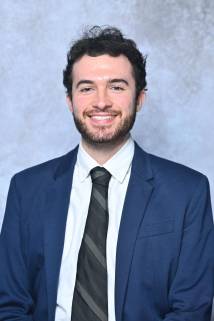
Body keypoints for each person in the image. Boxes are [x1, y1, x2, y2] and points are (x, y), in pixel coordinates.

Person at [0, 26, 213, 321]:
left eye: (116, 86)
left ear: (139, 98)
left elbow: (191, 310)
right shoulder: (26, 189)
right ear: (70, 101)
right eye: (86, 88)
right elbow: (9, 305)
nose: (101, 102)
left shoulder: (188, 192)